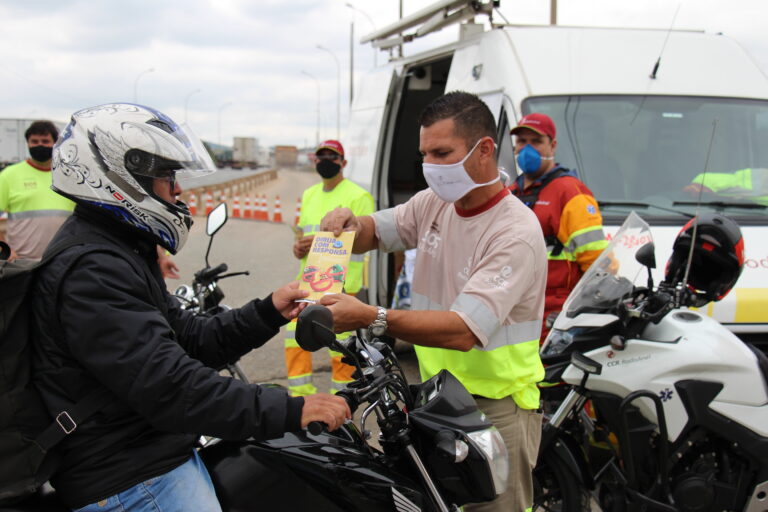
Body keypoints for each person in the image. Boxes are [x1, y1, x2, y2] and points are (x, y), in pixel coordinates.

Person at [31, 103, 350, 512]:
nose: (177, 189)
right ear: (118, 178)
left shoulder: (118, 248)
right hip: (132, 481)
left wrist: (269, 310)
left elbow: (193, 339)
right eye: (166, 176)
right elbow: (170, 387)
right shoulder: (92, 269)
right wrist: (291, 409)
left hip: (151, 455)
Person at [319, 91, 547, 512]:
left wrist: (372, 316)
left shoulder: (514, 231)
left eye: (443, 153)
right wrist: (349, 225)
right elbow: (379, 231)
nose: (431, 167)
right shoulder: (435, 203)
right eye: (425, 154)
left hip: (494, 408)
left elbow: (463, 330)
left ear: (484, 150)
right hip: (436, 398)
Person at [285, 140, 375, 396]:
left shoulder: (358, 196)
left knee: (341, 351)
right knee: (294, 342)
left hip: (343, 286)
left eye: (332, 157)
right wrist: (298, 248)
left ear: (343, 163)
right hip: (308, 285)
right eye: (321, 156)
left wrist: (322, 242)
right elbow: (302, 235)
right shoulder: (310, 194)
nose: (326, 161)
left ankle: (344, 403)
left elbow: (362, 240)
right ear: (314, 161)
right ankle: (301, 401)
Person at [508, 113, 608, 339]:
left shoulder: (570, 193)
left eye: (536, 142)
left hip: (553, 310)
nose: (527, 149)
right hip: (514, 306)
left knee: (546, 372)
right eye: (522, 142)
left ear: (552, 146)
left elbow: (597, 263)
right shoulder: (511, 192)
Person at [0, 120, 74, 261]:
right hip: (21, 263)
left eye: (45, 141)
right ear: (27, 143)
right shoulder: (9, 176)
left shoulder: (68, 176)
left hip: (61, 260)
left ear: (55, 143)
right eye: (34, 141)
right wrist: (4, 249)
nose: (39, 145)